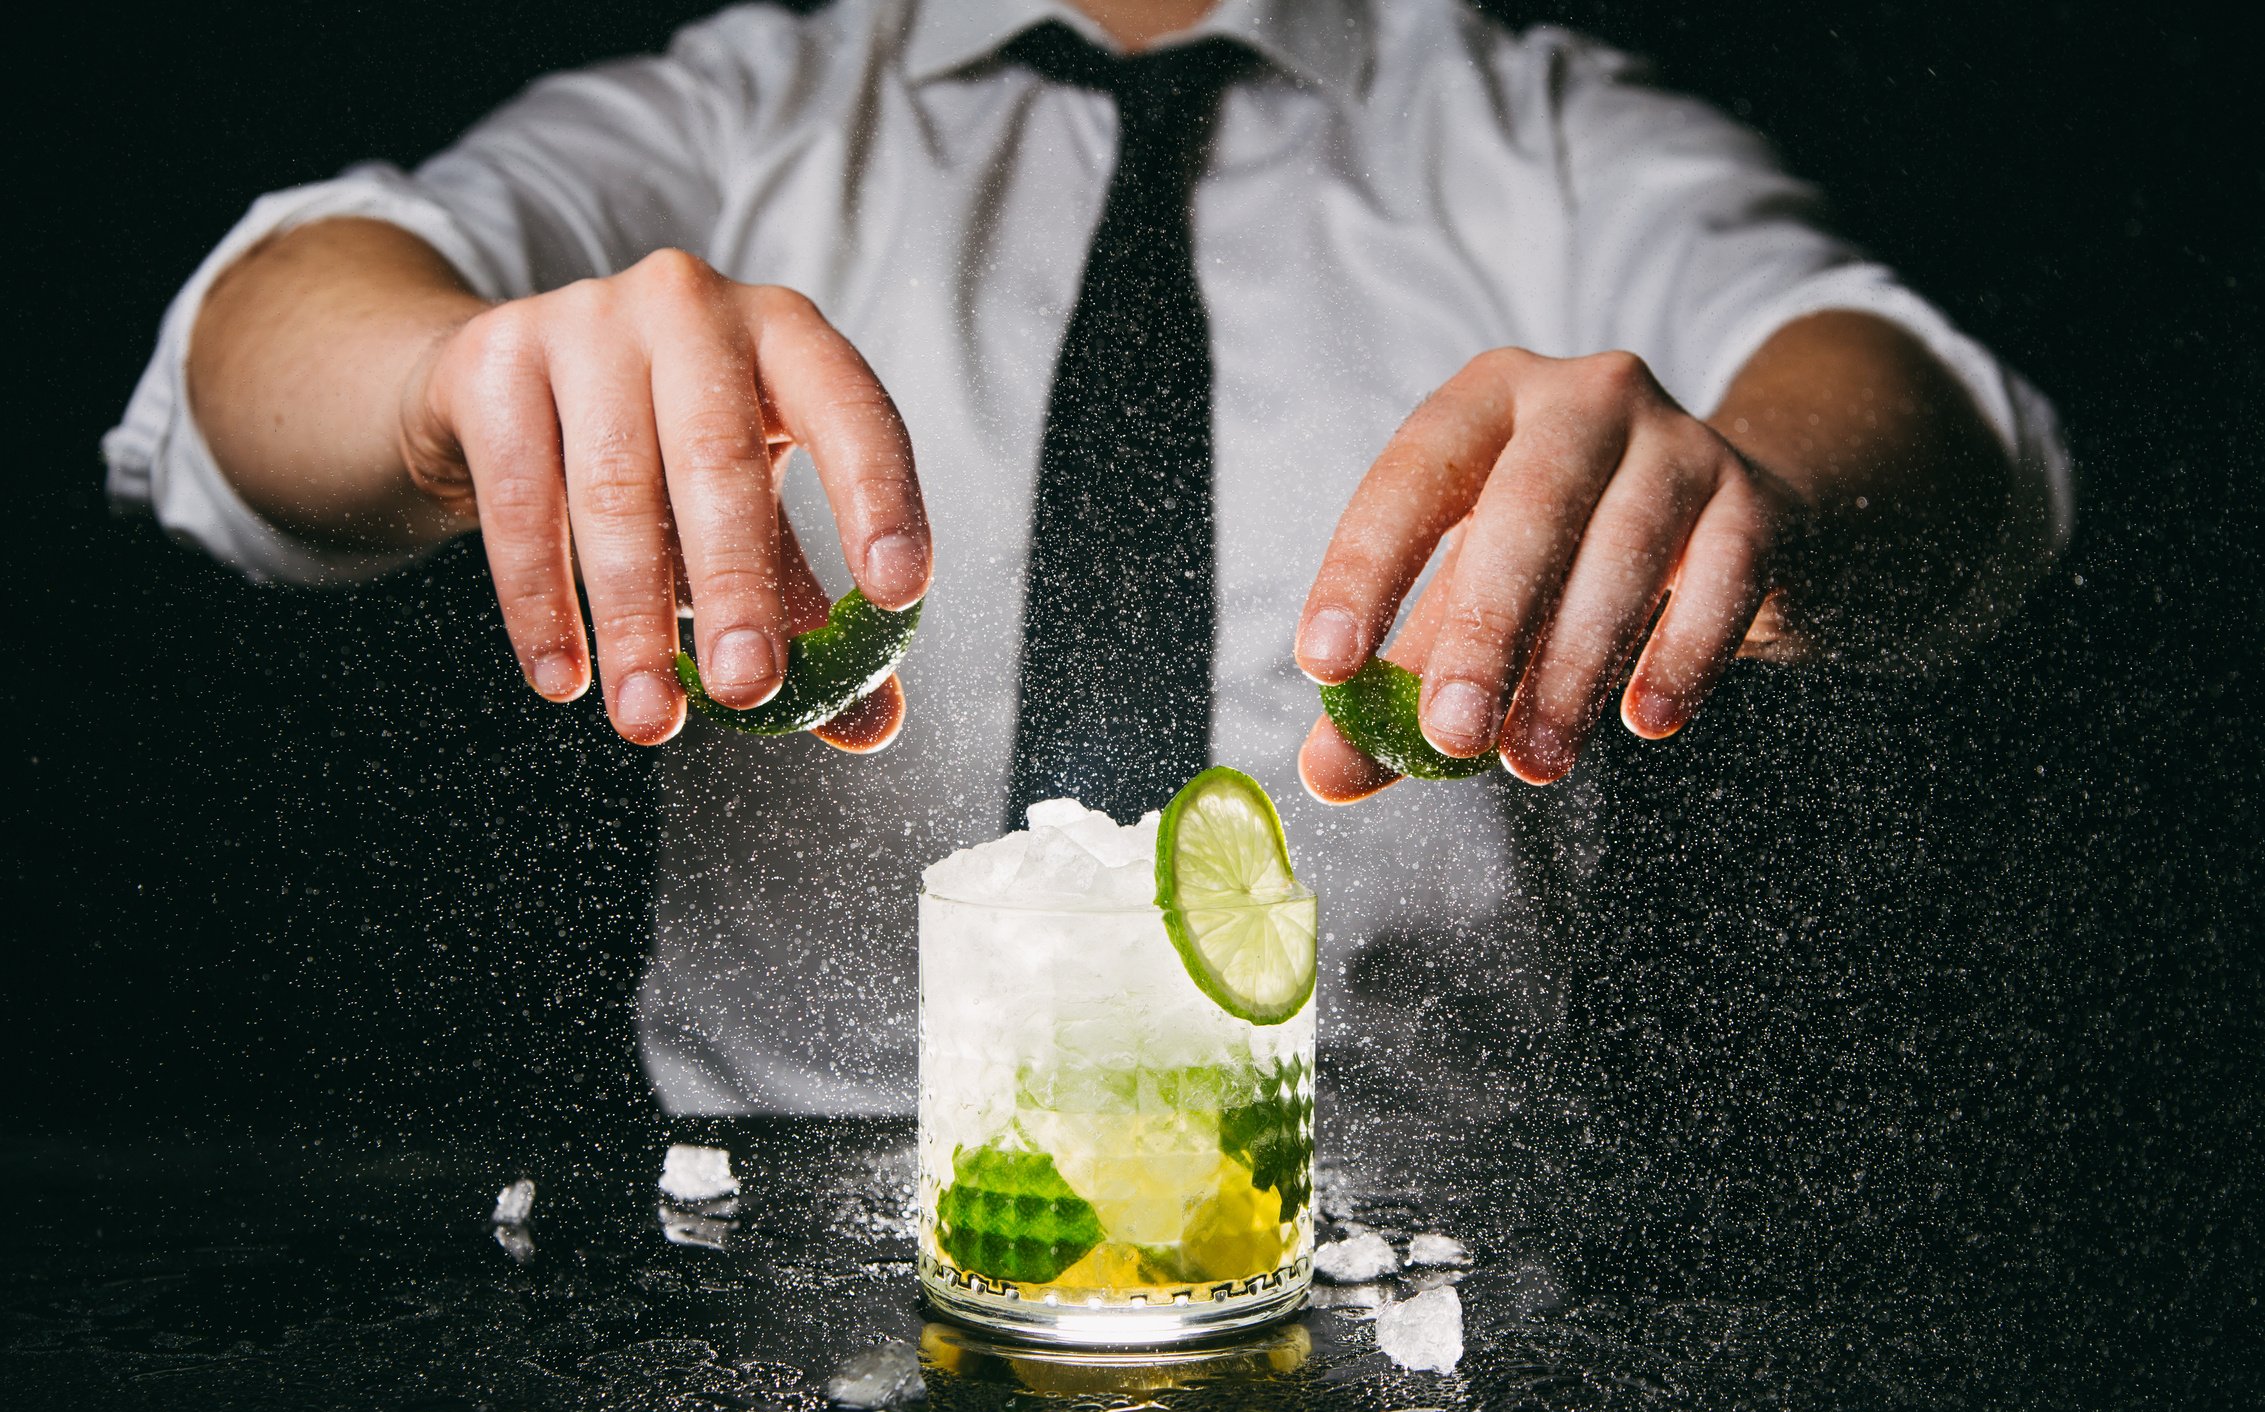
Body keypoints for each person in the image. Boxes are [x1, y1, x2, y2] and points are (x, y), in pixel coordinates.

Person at [107, 0, 2069, 1114]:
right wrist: (454, 375)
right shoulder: (753, 104)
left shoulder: (1537, 130)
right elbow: (252, 361)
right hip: (778, 1243)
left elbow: (1924, 426)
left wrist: (1746, 488)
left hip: (1418, 1249)